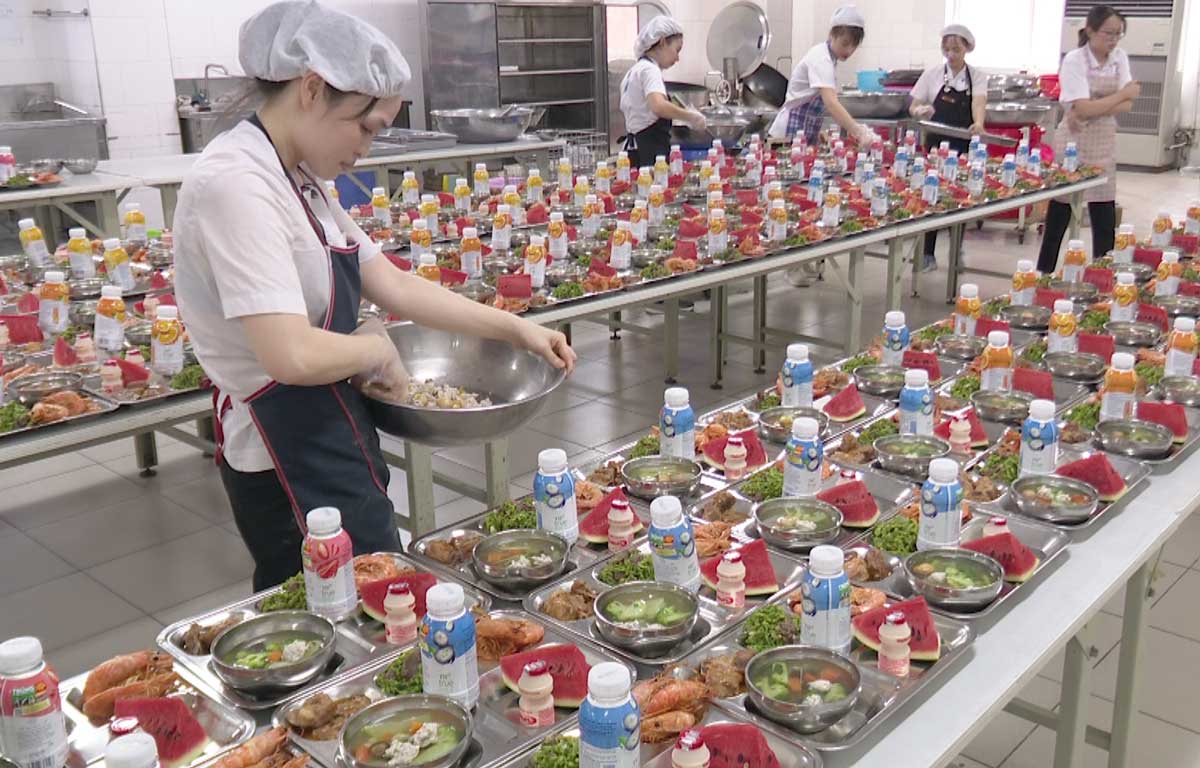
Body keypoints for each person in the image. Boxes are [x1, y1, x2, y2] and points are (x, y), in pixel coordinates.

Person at [173, 0, 576, 590]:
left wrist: (519, 329)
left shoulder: (299, 178)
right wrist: (374, 348)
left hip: (328, 423)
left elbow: (392, 282)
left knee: (377, 595)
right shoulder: (237, 184)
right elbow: (291, 355)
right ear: (312, 89)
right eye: (364, 128)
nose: (366, 148)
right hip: (281, 451)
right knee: (328, 619)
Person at [1037, 4, 1138, 274]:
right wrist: (1118, 97)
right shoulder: (1075, 60)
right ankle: (1043, 272)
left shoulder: (1120, 58)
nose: (1113, 40)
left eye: (1118, 34)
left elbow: (1128, 105)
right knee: (1061, 210)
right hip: (1073, 140)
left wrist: (1092, 106)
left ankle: (1102, 275)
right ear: (1091, 31)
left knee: (1103, 212)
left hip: (1104, 140)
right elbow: (1084, 107)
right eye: (1108, 33)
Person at [909, 23, 987, 272]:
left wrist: (978, 123)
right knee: (932, 195)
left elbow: (978, 102)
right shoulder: (933, 74)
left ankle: (957, 251)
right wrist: (919, 110)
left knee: (960, 196)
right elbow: (914, 103)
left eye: (956, 49)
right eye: (947, 49)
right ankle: (927, 254)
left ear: (967, 49)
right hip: (935, 144)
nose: (951, 54)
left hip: (962, 144)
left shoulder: (976, 77)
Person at [768, 6, 876, 148]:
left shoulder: (830, 60)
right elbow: (831, 103)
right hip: (787, 135)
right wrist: (858, 131)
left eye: (854, 46)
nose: (849, 50)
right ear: (832, 35)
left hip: (803, 134)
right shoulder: (821, 58)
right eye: (845, 43)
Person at [619, 16, 706, 168]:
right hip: (651, 155)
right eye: (676, 50)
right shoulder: (650, 70)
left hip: (635, 151)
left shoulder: (633, 71)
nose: (677, 58)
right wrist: (691, 116)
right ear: (663, 42)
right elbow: (658, 106)